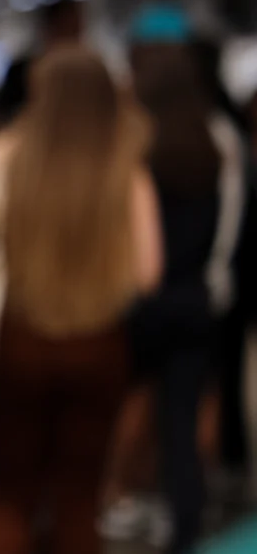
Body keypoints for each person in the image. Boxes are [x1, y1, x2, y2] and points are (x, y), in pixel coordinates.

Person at [0, 47, 163, 554]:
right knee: (79, 497)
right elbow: (149, 272)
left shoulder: (4, 153)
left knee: (9, 492)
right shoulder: (125, 165)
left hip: (19, 340)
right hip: (99, 344)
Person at [112, 32, 246, 554]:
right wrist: (218, 282)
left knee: (133, 408)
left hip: (143, 300)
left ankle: (125, 498)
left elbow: (128, 231)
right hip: (198, 298)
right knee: (188, 415)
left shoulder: (137, 140)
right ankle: (184, 519)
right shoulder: (220, 139)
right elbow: (232, 222)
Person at [0, 0, 84, 132]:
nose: (76, 34)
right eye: (70, 26)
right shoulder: (22, 70)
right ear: (51, 26)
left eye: (77, 28)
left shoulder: (82, 75)